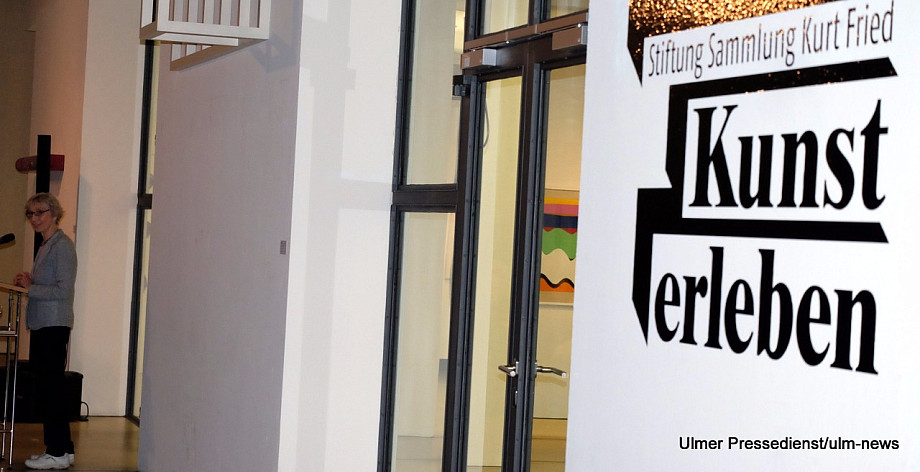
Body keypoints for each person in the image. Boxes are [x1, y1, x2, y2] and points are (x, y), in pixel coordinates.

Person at [14, 193, 76, 470]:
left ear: (54, 213)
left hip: (53, 325)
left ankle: (57, 452)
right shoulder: (46, 245)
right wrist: (31, 281)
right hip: (43, 324)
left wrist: (32, 288)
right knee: (50, 389)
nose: (34, 218)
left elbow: (64, 290)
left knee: (52, 391)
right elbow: (47, 285)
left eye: (40, 212)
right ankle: (64, 449)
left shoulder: (62, 246)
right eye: (30, 213)